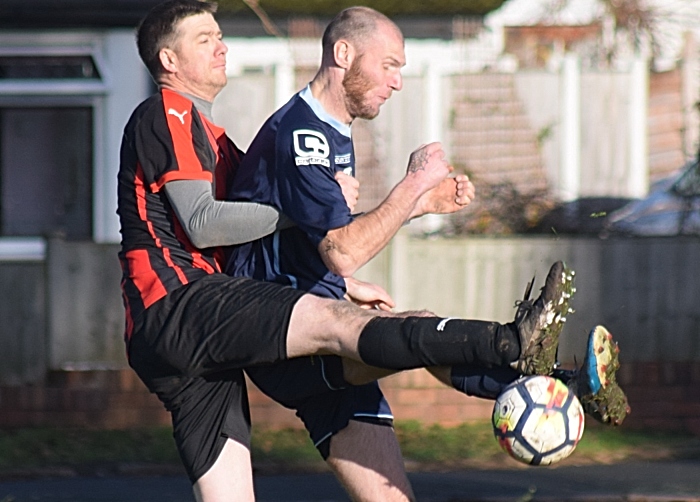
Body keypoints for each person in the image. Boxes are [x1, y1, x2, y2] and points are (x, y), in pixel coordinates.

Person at [118, 1, 587, 501]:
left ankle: (545, 381)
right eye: (205, 38)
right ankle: (513, 343)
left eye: (219, 36)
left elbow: (259, 243)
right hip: (178, 305)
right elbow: (205, 224)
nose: (223, 46)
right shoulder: (166, 112)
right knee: (344, 326)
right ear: (169, 60)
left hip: (205, 333)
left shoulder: (219, 139)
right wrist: (305, 212)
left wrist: (342, 280)